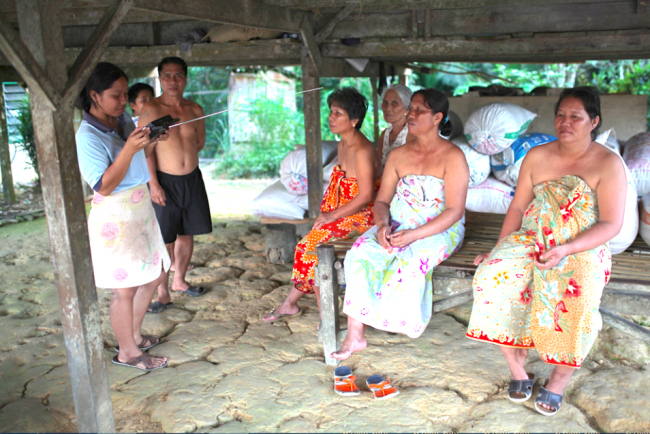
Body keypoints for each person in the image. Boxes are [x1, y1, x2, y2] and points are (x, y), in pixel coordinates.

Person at [466, 88, 625, 416]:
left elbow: (611, 224)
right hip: (531, 238)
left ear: (593, 121)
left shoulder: (608, 163)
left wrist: (568, 248)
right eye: (561, 115)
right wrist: (499, 250)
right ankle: (517, 368)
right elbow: (518, 207)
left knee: (576, 300)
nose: (565, 122)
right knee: (490, 278)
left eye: (575, 116)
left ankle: (558, 381)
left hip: (582, 247)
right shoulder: (537, 155)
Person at [331, 89, 468, 360]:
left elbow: (454, 211)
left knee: (410, 257)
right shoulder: (398, 155)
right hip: (398, 223)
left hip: (439, 228)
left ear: (437, 117)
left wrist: (414, 235)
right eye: (411, 109)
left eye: (419, 110)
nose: (411, 114)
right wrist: (382, 227)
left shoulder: (453, 157)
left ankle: (398, 323)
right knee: (359, 253)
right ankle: (355, 334)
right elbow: (381, 203)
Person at [75, 62, 170, 371]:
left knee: (153, 274)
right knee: (124, 289)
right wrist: (130, 148)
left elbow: (135, 161)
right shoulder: (87, 135)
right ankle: (127, 352)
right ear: (94, 96)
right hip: (115, 217)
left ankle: (133, 337)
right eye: (115, 95)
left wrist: (151, 141)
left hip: (139, 209)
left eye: (124, 93)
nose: (122, 101)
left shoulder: (123, 120)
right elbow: (103, 184)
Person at [262, 87, 382, 325]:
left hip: (364, 216)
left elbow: (367, 194)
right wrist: (330, 213)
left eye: (338, 113)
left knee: (309, 250)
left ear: (355, 120)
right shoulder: (343, 145)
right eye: (331, 111)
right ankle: (291, 304)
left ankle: (326, 317)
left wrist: (331, 216)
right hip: (345, 211)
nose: (331, 117)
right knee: (307, 245)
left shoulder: (363, 149)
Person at [140, 57, 212, 314]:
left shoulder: (195, 109)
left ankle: (180, 280)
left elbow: (199, 142)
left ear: (185, 78)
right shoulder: (151, 108)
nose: (173, 80)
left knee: (187, 232)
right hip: (164, 181)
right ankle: (163, 292)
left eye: (178, 75)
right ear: (160, 79)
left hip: (191, 178)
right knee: (165, 238)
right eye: (167, 75)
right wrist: (154, 184)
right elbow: (143, 150)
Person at [377, 84, 413, 166]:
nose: (388, 108)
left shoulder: (412, 135)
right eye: (385, 102)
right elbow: (378, 167)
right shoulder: (385, 134)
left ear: (407, 109)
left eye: (394, 103)